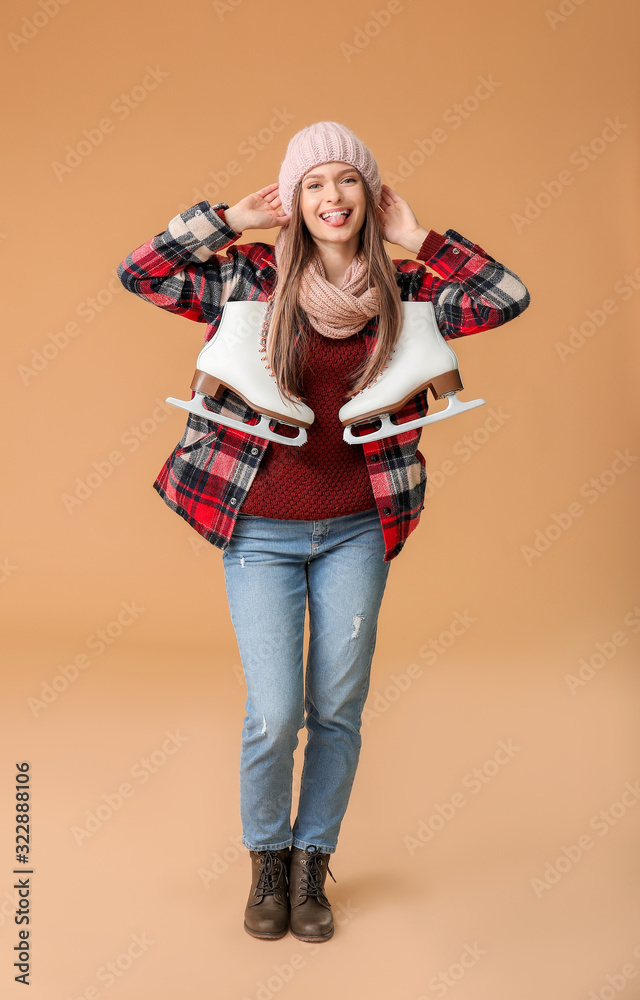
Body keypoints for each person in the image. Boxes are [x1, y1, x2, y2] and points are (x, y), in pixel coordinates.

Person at [117, 120, 531, 944]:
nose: (331, 198)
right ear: (294, 200)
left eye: (347, 181)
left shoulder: (407, 291)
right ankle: (266, 862)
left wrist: (421, 237)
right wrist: (228, 219)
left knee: (337, 708)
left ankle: (313, 868)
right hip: (260, 526)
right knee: (275, 712)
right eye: (313, 184)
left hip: (356, 529)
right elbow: (142, 274)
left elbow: (505, 296)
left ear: (369, 197)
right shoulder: (247, 277)